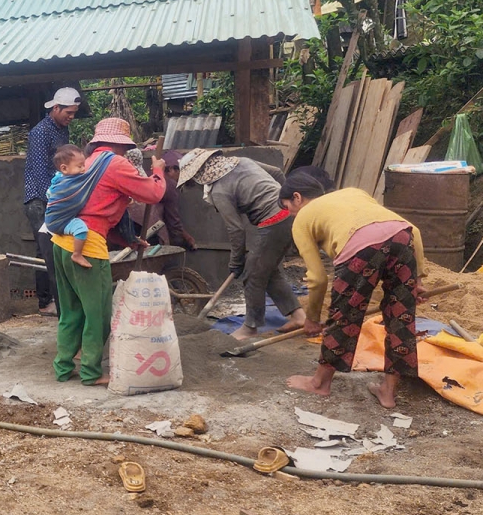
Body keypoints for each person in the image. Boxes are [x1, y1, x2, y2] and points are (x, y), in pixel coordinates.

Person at [280, 173, 429, 409]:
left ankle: (319, 384)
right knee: (401, 318)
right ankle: (388, 393)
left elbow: (318, 279)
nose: (289, 213)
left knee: (345, 317)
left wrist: (312, 319)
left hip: (360, 247)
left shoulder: (302, 219)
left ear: (296, 197)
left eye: (287, 207)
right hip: (403, 238)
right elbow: (415, 231)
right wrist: (417, 279)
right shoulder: (354, 192)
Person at [53, 117, 165, 384]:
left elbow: (97, 207)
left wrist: (129, 240)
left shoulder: (86, 163)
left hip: (61, 241)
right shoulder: (115, 164)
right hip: (88, 245)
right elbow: (153, 193)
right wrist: (158, 171)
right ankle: (91, 373)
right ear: (120, 144)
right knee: (98, 313)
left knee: (71, 312)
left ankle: (63, 368)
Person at [176, 149, 305, 341]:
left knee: (252, 273)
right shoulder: (242, 161)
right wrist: (286, 203)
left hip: (274, 221)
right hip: (288, 214)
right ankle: (298, 316)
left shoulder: (219, 190)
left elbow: (236, 229)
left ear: (200, 175)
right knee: (267, 272)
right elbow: (277, 173)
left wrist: (236, 263)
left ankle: (250, 327)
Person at [23, 87, 82, 317]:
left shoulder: (61, 131)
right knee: (51, 252)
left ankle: (48, 302)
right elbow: (39, 172)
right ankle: (55, 304)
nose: (71, 117)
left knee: (48, 250)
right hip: (41, 199)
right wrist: (58, 199)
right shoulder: (40, 132)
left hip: (55, 196)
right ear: (55, 108)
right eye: (68, 112)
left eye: (74, 113)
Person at [43, 144, 92, 269]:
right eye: (79, 166)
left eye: (84, 166)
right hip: (59, 222)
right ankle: (77, 254)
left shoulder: (58, 178)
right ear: (64, 168)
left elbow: (49, 193)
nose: (83, 170)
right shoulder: (70, 183)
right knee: (81, 229)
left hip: (50, 220)